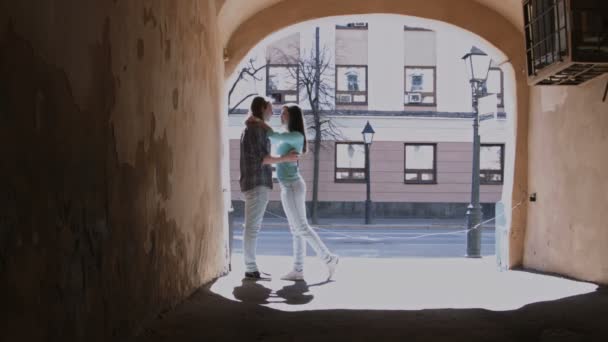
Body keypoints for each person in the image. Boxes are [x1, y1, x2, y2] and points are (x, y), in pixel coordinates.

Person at [249, 104, 339, 281]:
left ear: (293, 117)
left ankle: (329, 259)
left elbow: (272, 135)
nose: (280, 115)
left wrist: (258, 121)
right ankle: (298, 270)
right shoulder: (288, 137)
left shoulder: (296, 136)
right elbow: (274, 139)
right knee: (296, 230)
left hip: (293, 186)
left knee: (302, 228)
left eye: (284, 113)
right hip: (288, 186)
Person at [239, 97, 299, 280]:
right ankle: (250, 268)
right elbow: (263, 159)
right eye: (270, 109)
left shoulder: (251, 128)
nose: (273, 113)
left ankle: (251, 266)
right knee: (252, 228)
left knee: (252, 227)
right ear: (262, 108)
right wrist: (285, 159)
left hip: (253, 182)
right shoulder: (257, 129)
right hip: (257, 182)